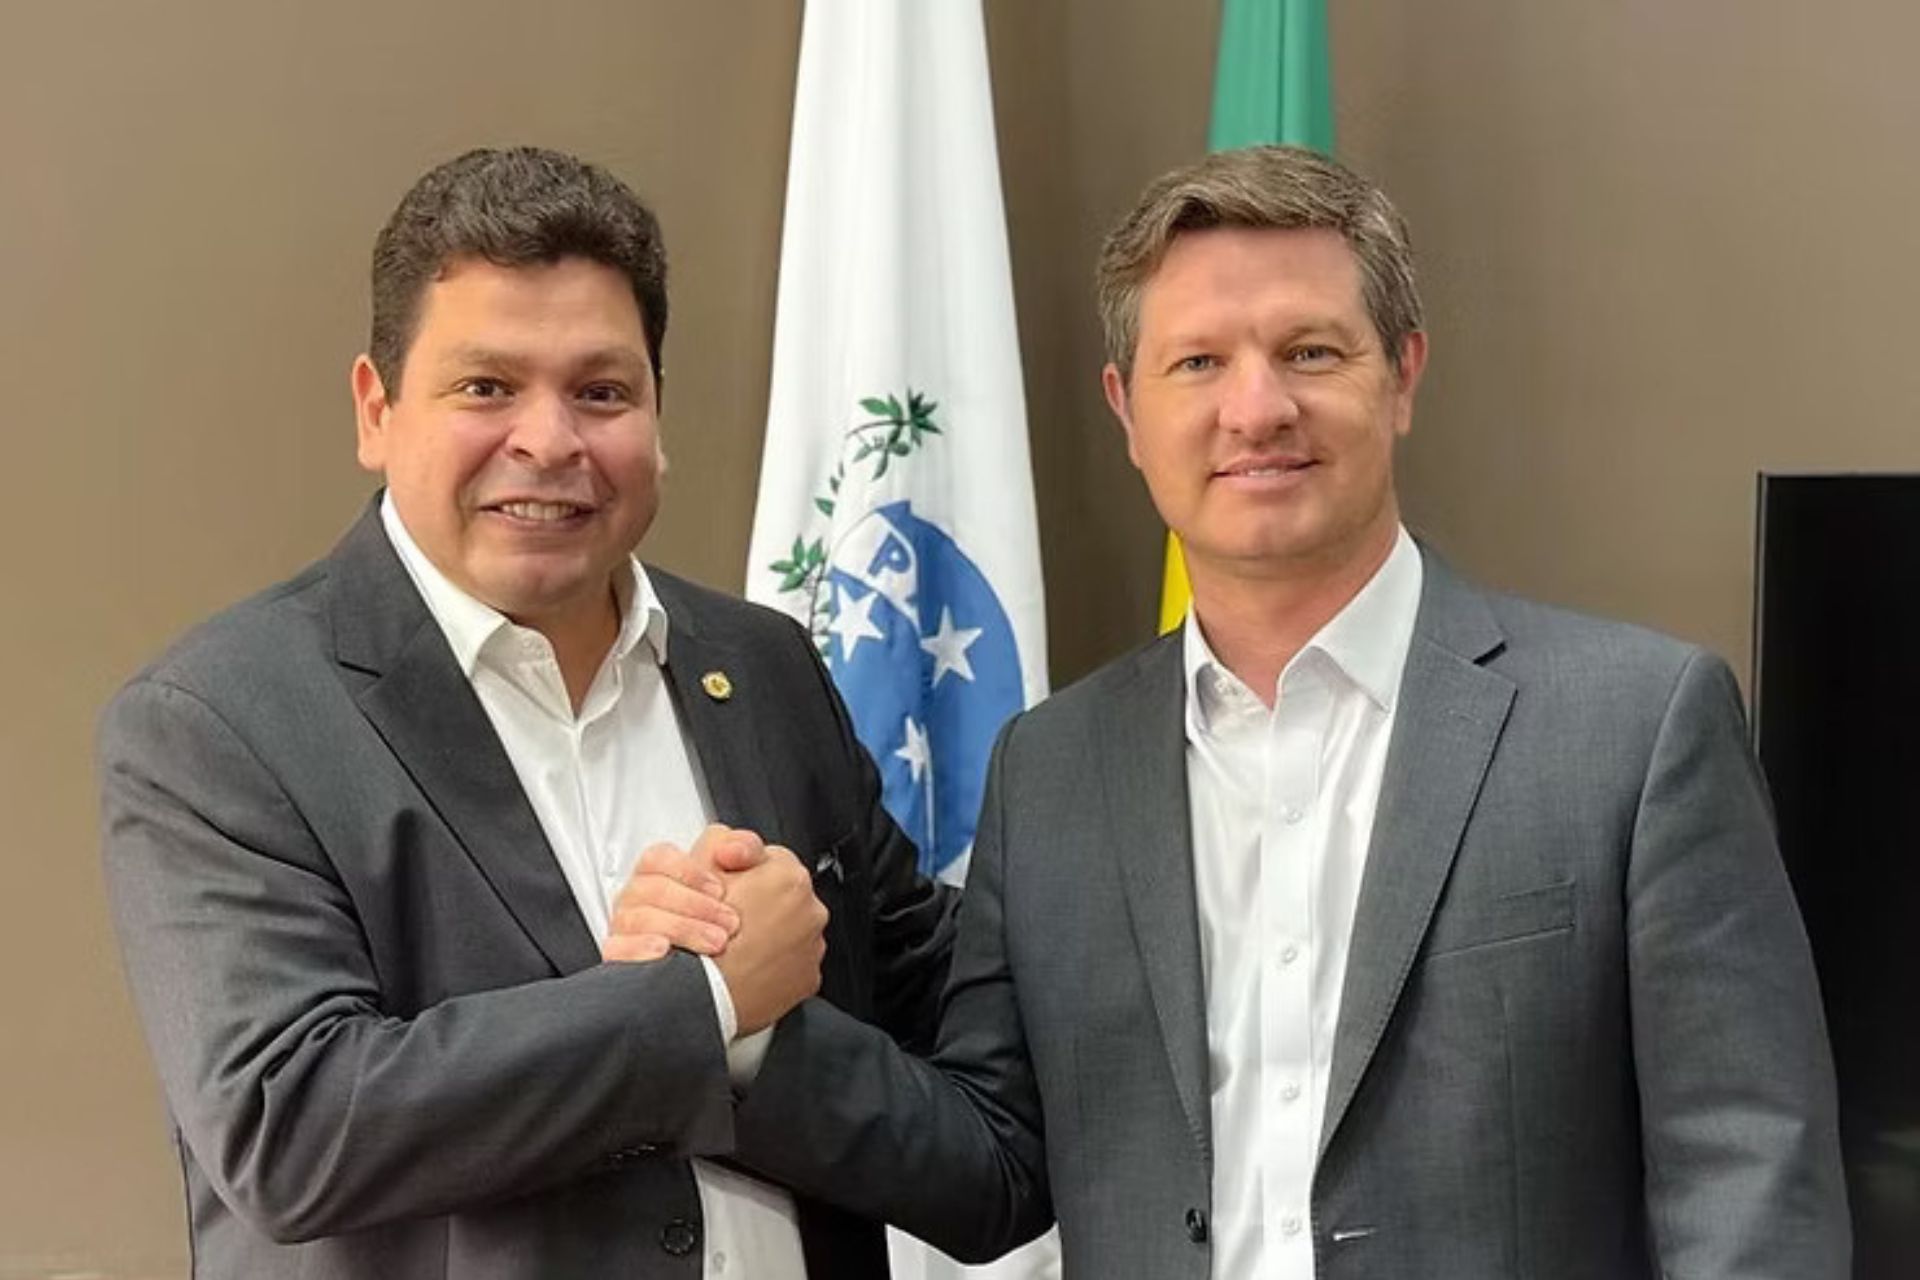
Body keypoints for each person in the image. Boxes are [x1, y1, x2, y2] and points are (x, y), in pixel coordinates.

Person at [641, 145, 1850, 1277]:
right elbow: (996, 1163)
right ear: (1127, 407)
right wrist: (745, 1019)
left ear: (1404, 375)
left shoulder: (1634, 727)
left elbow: (1748, 1175)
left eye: (1311, 352)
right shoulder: (1052, 770)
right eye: (1199, 362)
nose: (1257, 407)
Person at [98, 146, 956, 1280]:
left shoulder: (765, 665)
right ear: (376, 409)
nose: (549, 440)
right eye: (486, 387)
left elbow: (935, 987)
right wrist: (701, 1003)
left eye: (601, 391)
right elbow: (290, 1123)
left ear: (657, 414)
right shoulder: (218, 718)